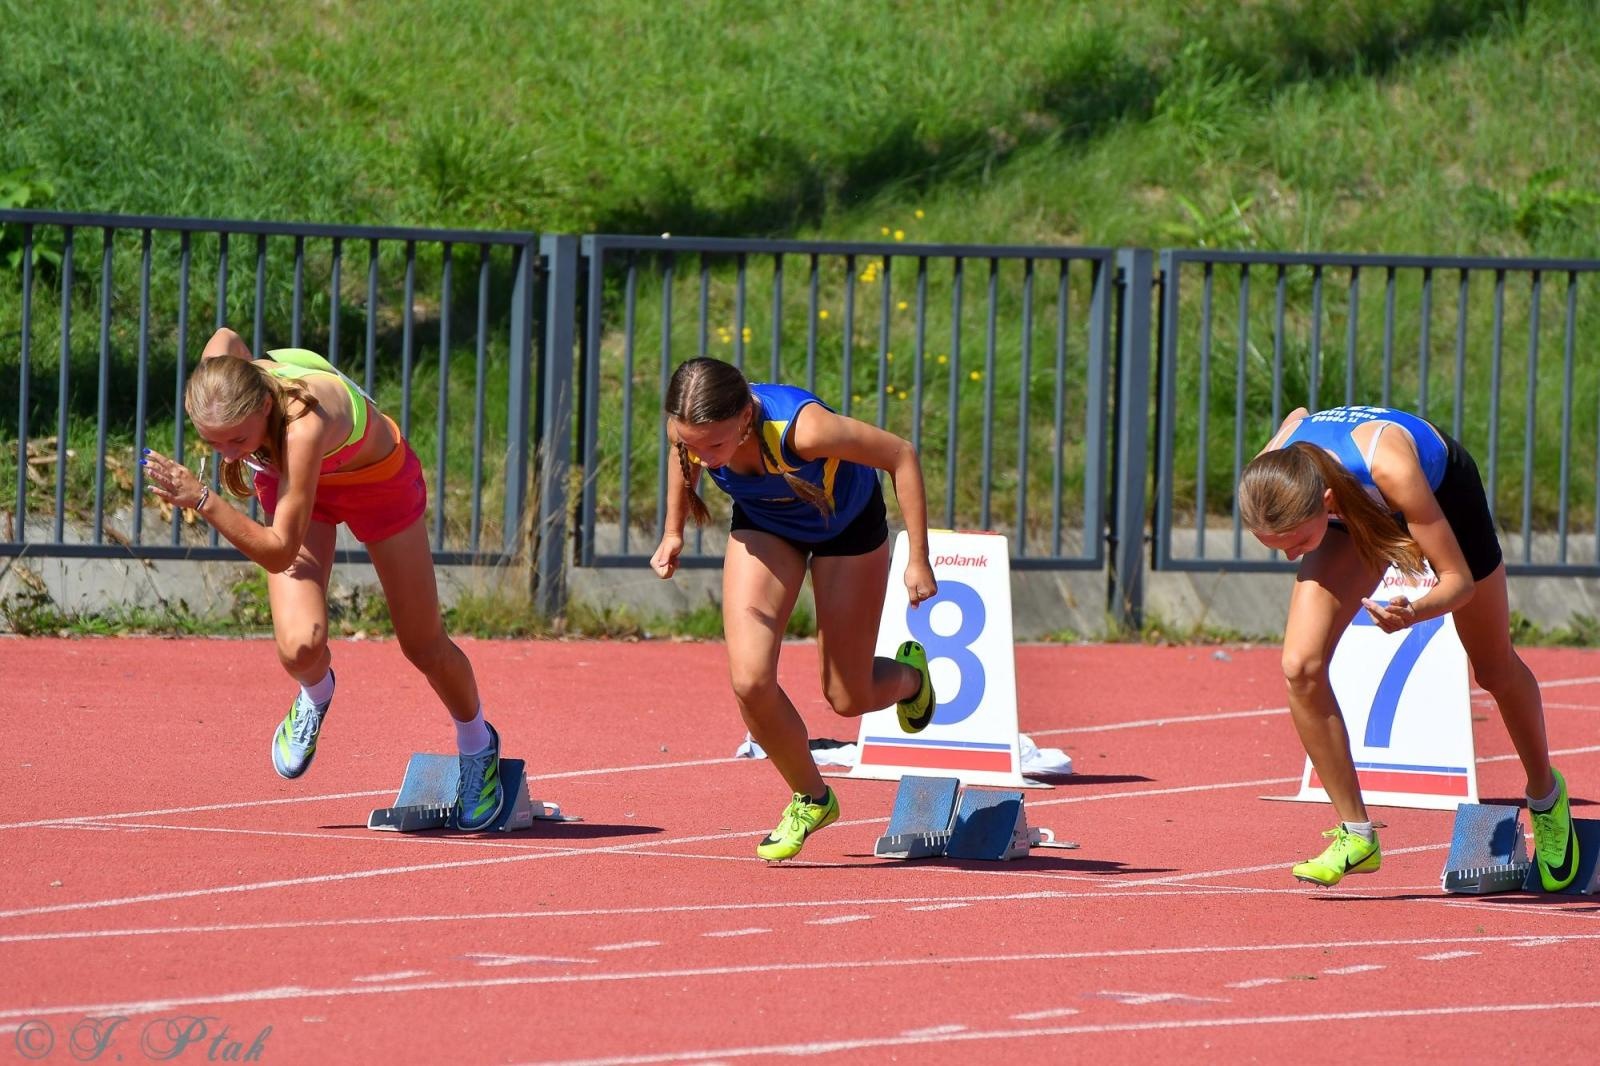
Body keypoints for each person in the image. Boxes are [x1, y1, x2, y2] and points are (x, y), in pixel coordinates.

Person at [142, 327, 508, 831]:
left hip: (377, 485)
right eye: (212, 441)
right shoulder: (223, 376)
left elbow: (278, 552)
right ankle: (316, 693)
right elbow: (225, 337)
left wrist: (204, 499)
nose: (228, 455)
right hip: (297, 486)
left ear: (266, 409)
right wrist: (238, 445)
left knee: (423, 645)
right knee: (299, 648)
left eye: (238, 440)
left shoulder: (304, 424)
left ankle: (477, 745)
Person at [1238, 403, 1578, 889]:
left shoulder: (1390, 468)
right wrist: (1314, 537)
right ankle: (1357, 834)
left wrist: (1413, 612)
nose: (1290, 557)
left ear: (1328, 501)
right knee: (1300, 667)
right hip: (1351, 508)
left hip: (1438, 497)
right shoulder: (1272, 467)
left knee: (1493, 668)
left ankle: (1547, 798)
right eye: (1276, 546)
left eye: (1296, 542)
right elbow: (1297, 414)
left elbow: (1457, 581)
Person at [651, 357, 938, 861]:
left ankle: (910, 677)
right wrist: (674, 530)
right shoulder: (698, 436)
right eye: (689, 443)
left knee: (847, 696)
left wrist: (918, 558)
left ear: (744, 418)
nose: (704, 459)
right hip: (767, 527)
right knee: (749, 681)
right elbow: (685, 458)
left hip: (845, 531)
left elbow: (901, 455)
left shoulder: (803, 430)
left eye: (715, 445)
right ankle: (811, 797)